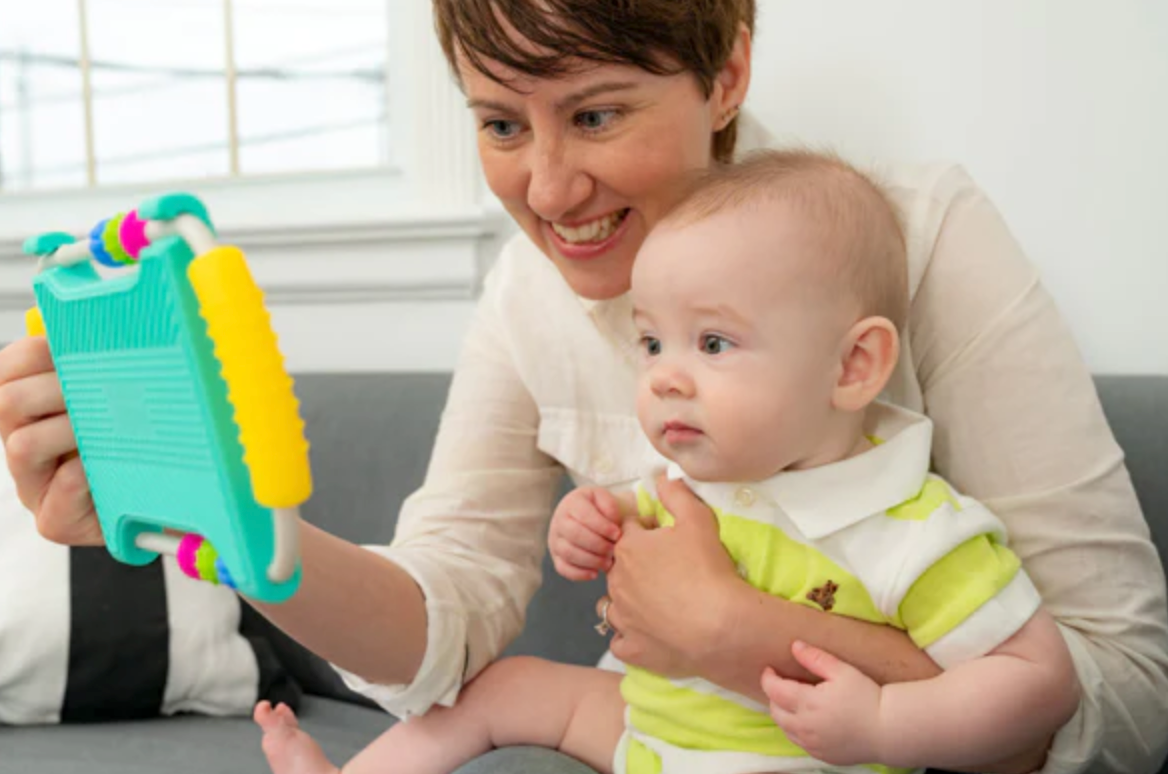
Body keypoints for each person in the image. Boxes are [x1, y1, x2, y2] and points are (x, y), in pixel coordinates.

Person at [0, 3, 1164, 773]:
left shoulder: (917, 240)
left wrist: (733, 632)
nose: (548, 189)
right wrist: (254, 538)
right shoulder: (529, 294)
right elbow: (441, 619)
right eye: (500, 123)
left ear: (727, 70)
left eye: (595, 112)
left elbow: (1127, 701)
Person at [250, 150, 1083, 774]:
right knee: (506, 687)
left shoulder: (915, 527)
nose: (664, 374)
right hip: (651, 737)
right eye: (650, 341)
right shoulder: (702, 487)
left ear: (852, 367)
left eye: (713, 341)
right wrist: (592, 527)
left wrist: (888, 726)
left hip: (787, 761)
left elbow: (1039, 683)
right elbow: (637, 549)